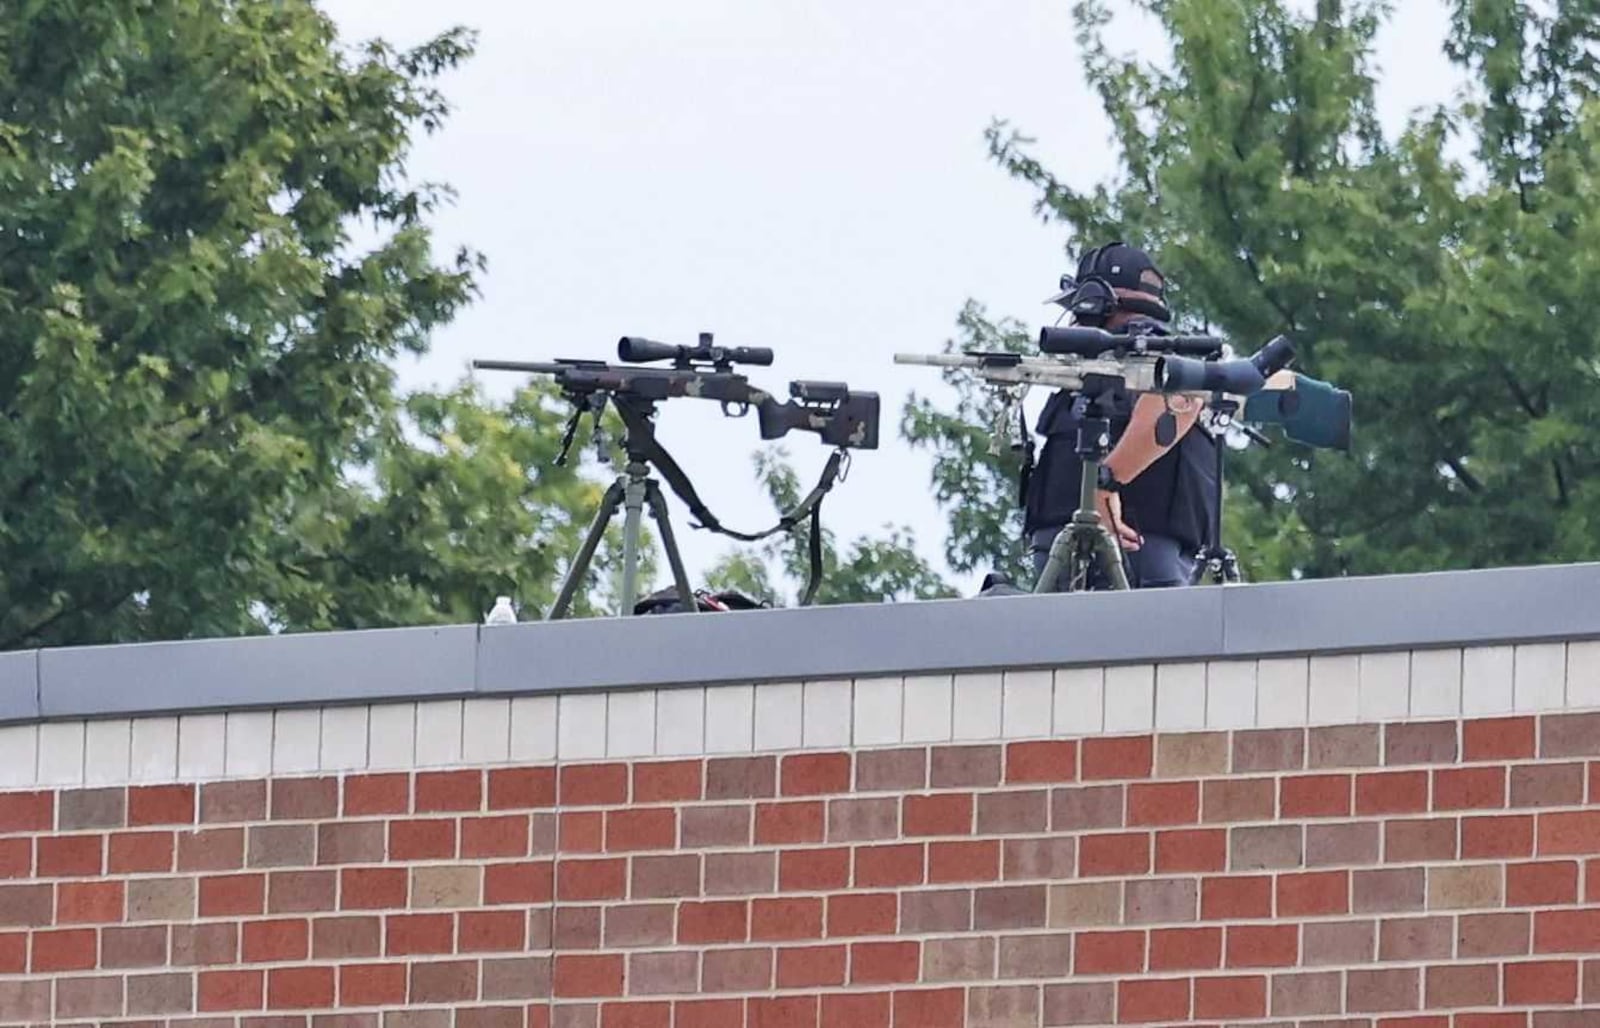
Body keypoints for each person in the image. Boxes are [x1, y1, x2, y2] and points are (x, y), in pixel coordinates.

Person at [1023, 241, 1218, 589]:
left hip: (1136, 554)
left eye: (1078, 308)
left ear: (1095, 300)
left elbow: (1177, 399)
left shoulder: (1150, 355)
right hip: (1068, 555)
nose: (1072, 320)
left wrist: (1105, 482)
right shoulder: (1093, 366)